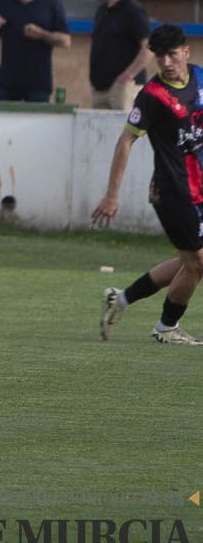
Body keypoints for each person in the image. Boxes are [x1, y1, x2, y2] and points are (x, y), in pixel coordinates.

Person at [91, 23, 203, 346]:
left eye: (171, 54)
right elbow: (125, 141)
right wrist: (112, 196)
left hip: (199, 187)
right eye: (159, 56)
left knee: (188, 262)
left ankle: (121, 299)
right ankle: (167, 327)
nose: (166, 62)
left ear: (186, 51)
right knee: (197, 263)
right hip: (173, 192)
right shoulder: (152, 97)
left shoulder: (198, 79)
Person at [89, 0, 152, 110]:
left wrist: (128, 75)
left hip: (123, 90)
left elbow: (149, 48)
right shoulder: (102, 11)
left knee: (123, 131)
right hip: (100, 90)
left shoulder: (133, 10)